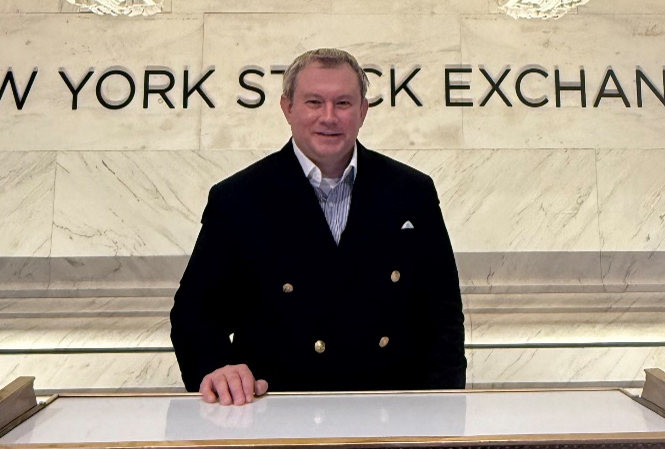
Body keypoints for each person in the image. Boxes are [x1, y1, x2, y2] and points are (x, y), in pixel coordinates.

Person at [170, 47, 466, 404]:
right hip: (276, 422)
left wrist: (443, 416)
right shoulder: (238, 199)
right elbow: (195, 314)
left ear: (363, 111)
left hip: (390, 422)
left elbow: (443, 317)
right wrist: (217, 369)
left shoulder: (412, 193)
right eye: (314, 102)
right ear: (287, 108)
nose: (329, 117)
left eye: (343, 103)